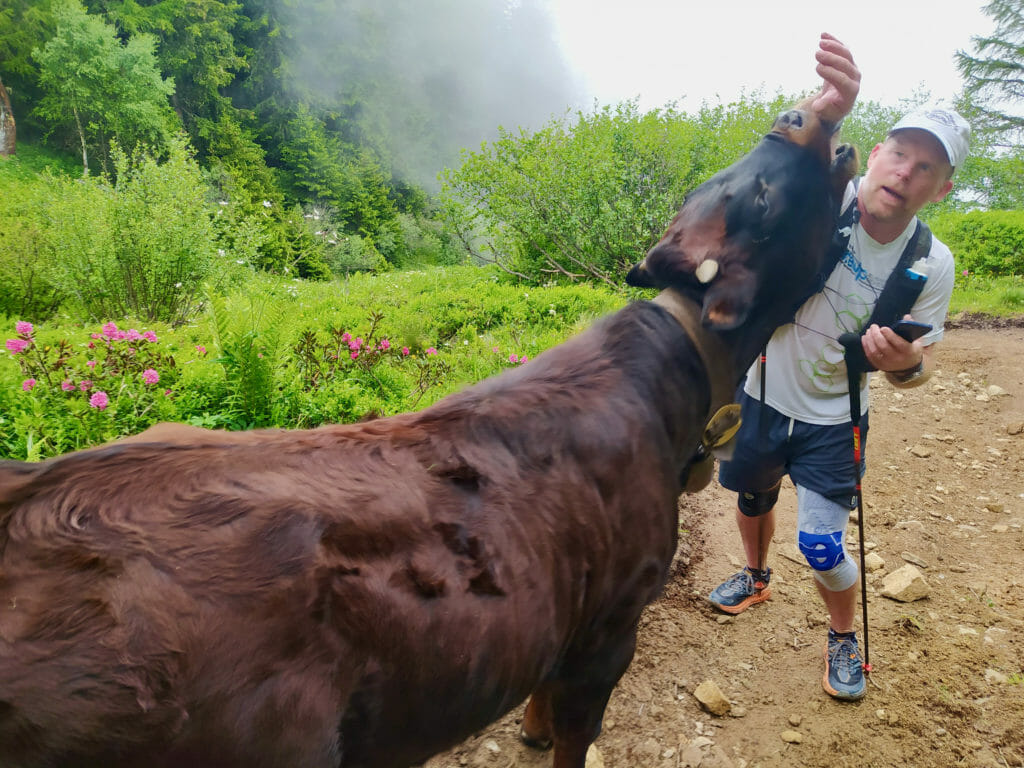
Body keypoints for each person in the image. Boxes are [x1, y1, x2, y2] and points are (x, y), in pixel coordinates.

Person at [707, 35, 971, 702]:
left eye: (925, 169)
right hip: (761, 390)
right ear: (876, 154)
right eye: (899, 154)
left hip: (836, 416)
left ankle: (842, 639)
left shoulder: (931, 263)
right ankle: (755, 575)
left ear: (939, 190)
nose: (905, 172)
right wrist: (823, 112)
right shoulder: (825, 199)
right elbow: (758, 181)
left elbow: (921, 370)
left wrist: (907, 365)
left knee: (823, 547)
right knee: (751, 495)